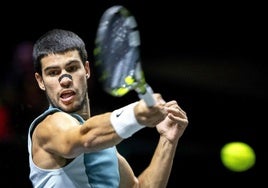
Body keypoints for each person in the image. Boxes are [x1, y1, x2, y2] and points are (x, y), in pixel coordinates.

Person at [27, 28, 188, 188]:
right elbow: (84, 137)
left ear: (87, 70)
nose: (65, 80)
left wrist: (168, 139)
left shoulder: (105, 145)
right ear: (41, 81)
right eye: (53, 72)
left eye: (72, 68)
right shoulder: (48, 127)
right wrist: (136, 113)